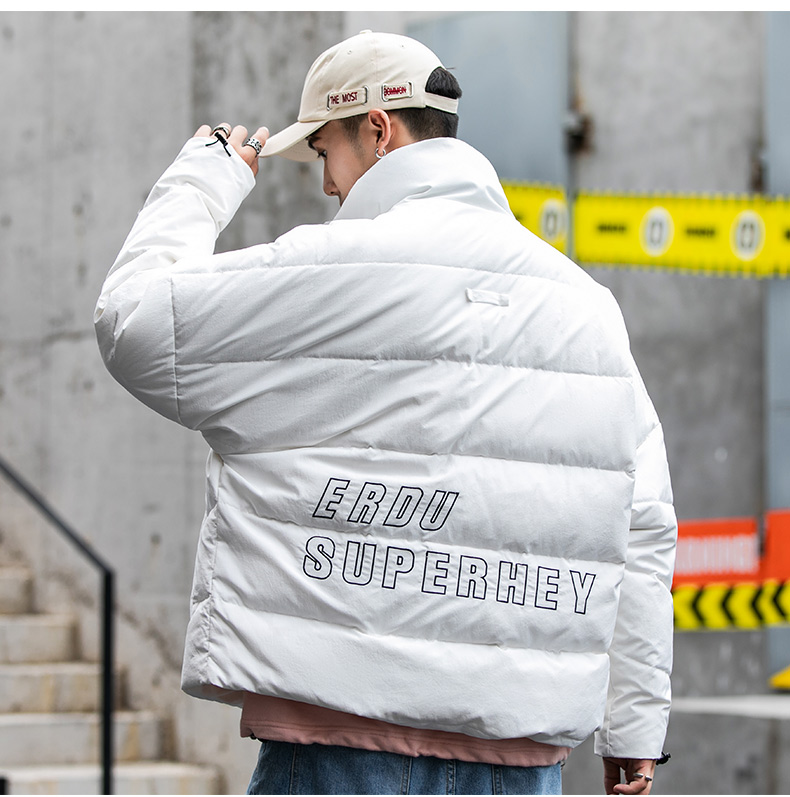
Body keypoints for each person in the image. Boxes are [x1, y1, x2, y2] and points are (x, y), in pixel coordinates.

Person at [94, 29, 677, 796]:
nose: (327, 185)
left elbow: (133, 324)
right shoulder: (588, 309)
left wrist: (202, 181)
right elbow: (643, 526)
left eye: (325, 152)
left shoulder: (324, 275)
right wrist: (633, 732)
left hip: (340, 748)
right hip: (524, 762)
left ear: (377, 129)